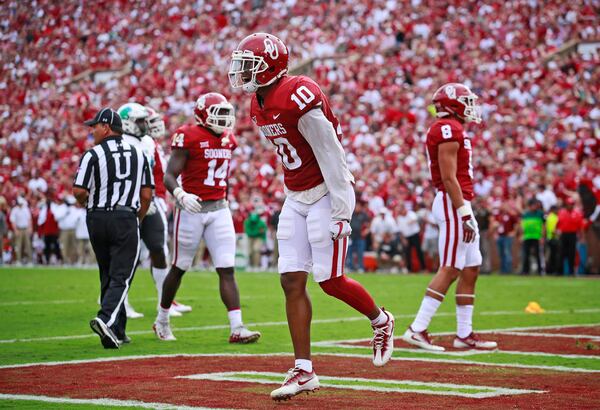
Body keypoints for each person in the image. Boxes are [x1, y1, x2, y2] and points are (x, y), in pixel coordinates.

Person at [229, 33, 395, 401]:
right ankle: (304, 369)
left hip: (326, 192)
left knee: (329, 280)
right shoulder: (259, 103)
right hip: (296, 195)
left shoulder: (296, 95)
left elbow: (332, 153)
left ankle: (381, 321)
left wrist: (341, 210)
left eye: (249, 64)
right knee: (291, 280)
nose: (242, 72)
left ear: (271, 66)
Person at [153, 92, 260, 344]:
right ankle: (162, 319)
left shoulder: (228, 139)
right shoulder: (188, 135)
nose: (224, 119)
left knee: (227, 268)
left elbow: (225, 177)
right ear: (202, 115)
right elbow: (169, 175)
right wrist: (180, 194)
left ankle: (237, 328)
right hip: (191, 209)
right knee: (180, 267)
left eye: (226, 114)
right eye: (218, 114)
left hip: (219, 209)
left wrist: (226, 198)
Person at [402, 83, 497, 352]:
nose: (470, 107)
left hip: (459, 202)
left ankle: (464, 334)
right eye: (466, 101)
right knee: (451, 267)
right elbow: (447, 177)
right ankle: (417, 329)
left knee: (471, 268)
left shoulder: (454, 128)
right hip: (454, 204)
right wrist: (464, 212)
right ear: (452, 104)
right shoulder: (448, 129)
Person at [73, 107, 153, 348]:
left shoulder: (92, 154)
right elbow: (147, 195)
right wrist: (136, 218)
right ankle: (105, 319)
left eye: (94, 126)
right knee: (122, 275)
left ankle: (119, 329)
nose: (92, 131)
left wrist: (91, 204)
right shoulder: (139, 153)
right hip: (125, 216)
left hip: (96, 218)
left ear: (106, 127)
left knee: (107, 272)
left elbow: (79, 191)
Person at [118, 103, 187, 319]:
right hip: (127, 202)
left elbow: (156, 171)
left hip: (150, 201)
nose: (144, 125)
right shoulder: (120, 142)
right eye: (139, 121)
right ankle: (121, 302)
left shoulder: (147, 142)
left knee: (158, 248)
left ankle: (163, 301)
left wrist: (154, 198)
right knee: (128, 254)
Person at [556, 197, 583, 275]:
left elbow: (580, 227)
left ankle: (571, 271)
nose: (570, 206)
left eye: (571, 204)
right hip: (563, 235)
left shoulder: (577, 213)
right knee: (561, 253)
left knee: (572, 253)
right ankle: (559, 271)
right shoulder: (561, 212)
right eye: (569, 204)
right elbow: (558, 224)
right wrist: (557, 231)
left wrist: (581, 237)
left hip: (572, 235)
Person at [396, 203, 426, 272]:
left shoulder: (410, 213)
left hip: (414, 235)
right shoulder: (399, 218)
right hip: (406, 237)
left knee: (419, 251)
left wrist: (411, 221)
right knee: (407, 253)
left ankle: (423, 268)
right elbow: (400, 231)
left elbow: (415, 218)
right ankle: (409, 269)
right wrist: (403, 239)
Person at [519, 198, 545, 275]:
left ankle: (540, 271)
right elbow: (522, 225)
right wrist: (521, 235)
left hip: (536, 236)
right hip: (527, 236)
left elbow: (543, 226)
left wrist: (542, 237)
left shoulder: (540, 214)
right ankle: (525, 271)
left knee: (538, 254)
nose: (535, 207)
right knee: (526, 254)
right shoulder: (525, 214)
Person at [347, 200, 369, 272]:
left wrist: (366, 231)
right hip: (351, 237)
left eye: (359, 206)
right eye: (356, 206)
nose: (357, 207)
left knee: (360, 252)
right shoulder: (351, 214)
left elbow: (368, 225)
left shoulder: (364, 215)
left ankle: (360, 267)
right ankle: (350, 267)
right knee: (349, 253)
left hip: (360, 237)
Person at [10, 197, 32, 265]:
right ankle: (18, 260)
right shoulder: (15, 210)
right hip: (19, 229)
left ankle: (29, 261)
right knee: (18, 245)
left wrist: (30, 228)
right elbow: (13, 221)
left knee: (28, 245)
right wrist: (15, 230)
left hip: (25, 229)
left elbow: (29, 219)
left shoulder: (26, 209)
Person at [545, 205, 560, 275]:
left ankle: (549, 270)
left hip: (549, 238)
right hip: (554, 238)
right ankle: (554, 270)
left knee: (550, 256)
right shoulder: (555, 217)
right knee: (554, 256)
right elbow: (554, 229)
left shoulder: (548, 217)